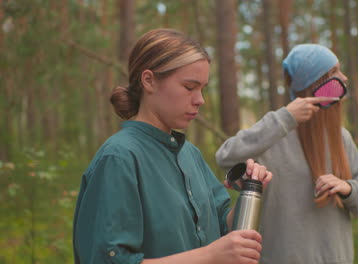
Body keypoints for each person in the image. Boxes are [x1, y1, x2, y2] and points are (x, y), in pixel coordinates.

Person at [73, 28, 273, 264]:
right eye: (189, 87)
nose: (200, 100)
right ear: (149, 81)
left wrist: (250, 192)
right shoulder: (120, 158)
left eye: (202, 88)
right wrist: (210, 256)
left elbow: (222, 225)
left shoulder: (190, 154)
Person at [216, 44, 358, 264]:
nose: (344, 78)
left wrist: (348, 189)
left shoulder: (341, 139)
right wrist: (285, 118)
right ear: (315, 83)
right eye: (334, 73)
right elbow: (225, 157)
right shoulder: (272, 137)